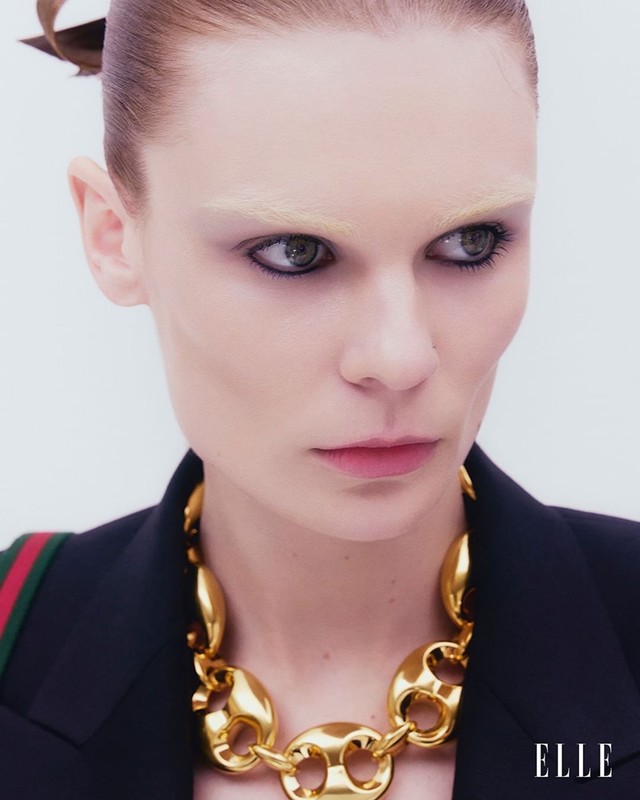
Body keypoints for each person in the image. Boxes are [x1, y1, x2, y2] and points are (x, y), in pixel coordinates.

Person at [1, 1, 639, 799]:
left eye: (470, 243)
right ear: (112, 234)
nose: (399, 358)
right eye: (294, 253)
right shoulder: (15, 643)